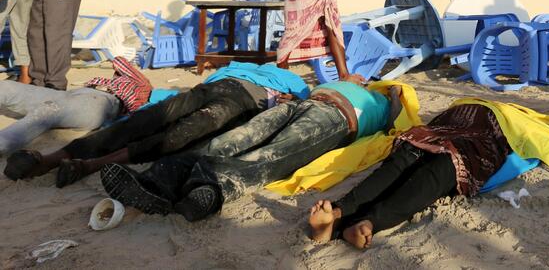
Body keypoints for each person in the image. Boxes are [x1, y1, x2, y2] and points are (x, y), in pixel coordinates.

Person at [100, 82, 403, 222]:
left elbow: (397, 114)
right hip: (300, 105)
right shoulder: (351, 82)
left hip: (335, 120)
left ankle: (211, 189)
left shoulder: (382, 105)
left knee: (272, 154)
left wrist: (393, 94)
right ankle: (157, 181)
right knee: (232, 139)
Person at [307, 97, 549, 248]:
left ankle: (340, 212)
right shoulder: (532, 117)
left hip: (449, 121)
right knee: (445, 167)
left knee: (408, 157)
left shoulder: (480, 102)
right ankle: (366, 223)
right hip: (479, 129)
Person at [3, 62, 308, 188]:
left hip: (240, 102)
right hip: (214, 90)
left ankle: (91, 164)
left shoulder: (292, 84)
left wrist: (282, 102)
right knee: (148, 120)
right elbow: (213, 77)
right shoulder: (262, 70)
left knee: (181, 133)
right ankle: (50, 159)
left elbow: (295, 107)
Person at [0, 57, 156, 155]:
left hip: (103, 102)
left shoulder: (143, 85)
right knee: (7, 88)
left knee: (49, 111)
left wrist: (117, 72)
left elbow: (119, 61)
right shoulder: (116, 83)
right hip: (73, 95)